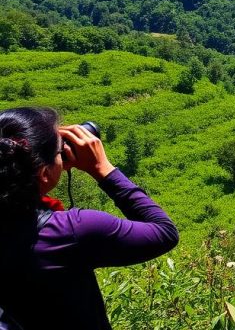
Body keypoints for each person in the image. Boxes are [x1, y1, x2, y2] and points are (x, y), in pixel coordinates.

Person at [0, 107, 178, 330]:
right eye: (59, 150)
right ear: (44, 174)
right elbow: (164, 232)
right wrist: (103, 169)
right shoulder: (70, 231)